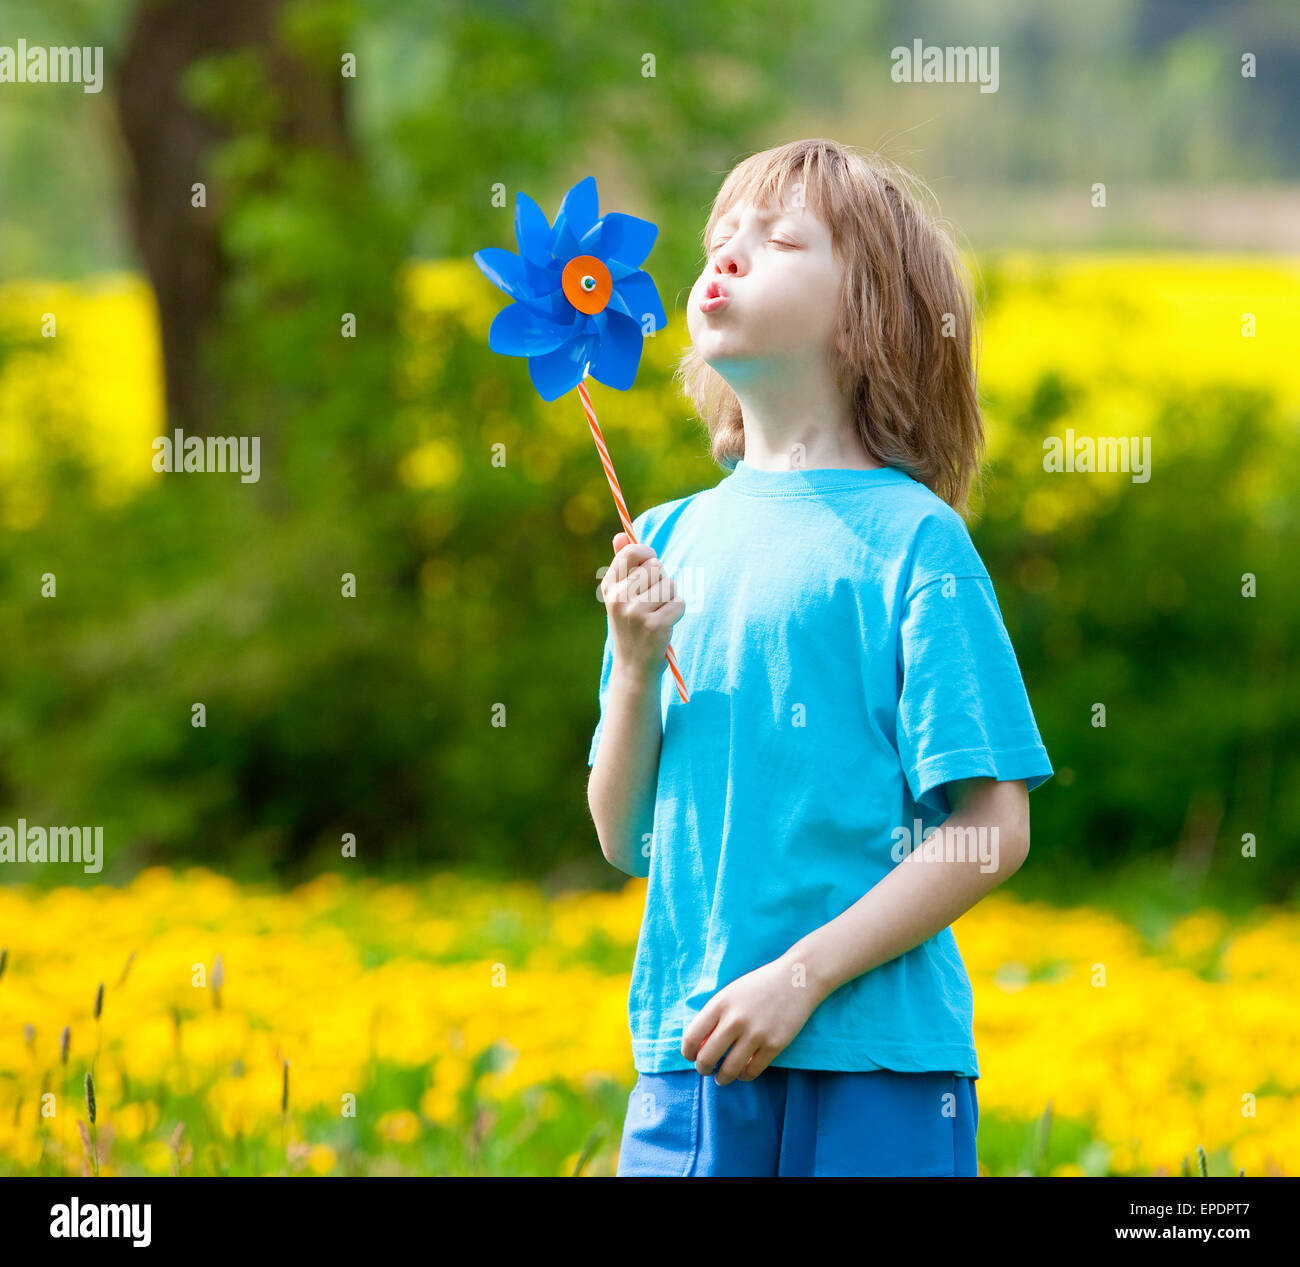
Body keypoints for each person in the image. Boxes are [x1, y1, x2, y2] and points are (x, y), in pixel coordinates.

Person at [586, 138, 1052, 1177]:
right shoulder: (663, 538)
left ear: (864, 318)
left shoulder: (911, 541)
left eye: (776, 239)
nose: (726, 256)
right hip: (693, 1050)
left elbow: (991, 828)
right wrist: (630, 662)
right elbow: (623, 837)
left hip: (877, 1066)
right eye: (718, 241)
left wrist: (799, 976)